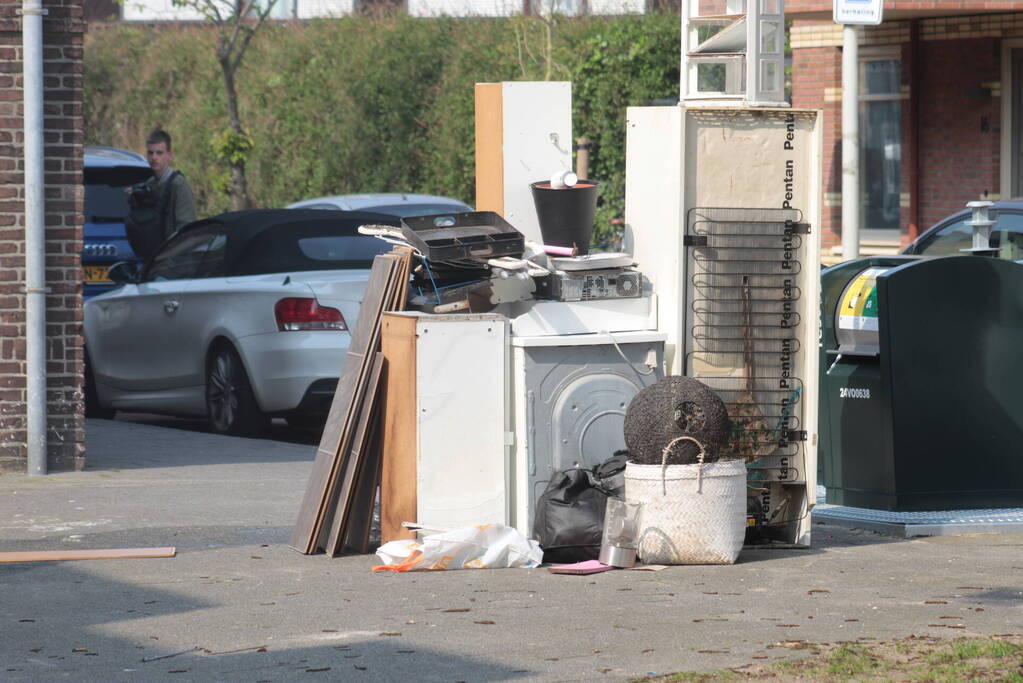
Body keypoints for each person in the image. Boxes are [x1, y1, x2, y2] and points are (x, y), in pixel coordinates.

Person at [133, 128, 197, 241]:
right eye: (150, 153)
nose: (154, 157)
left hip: (174, 254)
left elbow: (186, 228)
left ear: (169, 155)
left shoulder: (179, 185)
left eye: (159, 153)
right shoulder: (150, 184)